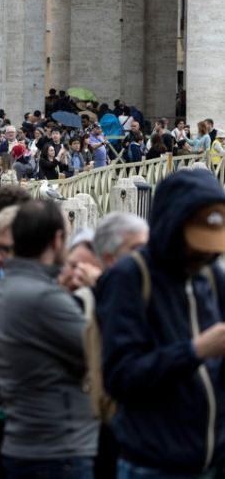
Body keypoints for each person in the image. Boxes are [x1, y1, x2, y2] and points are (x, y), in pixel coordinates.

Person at [97, 169, 225, 478]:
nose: (203, 255)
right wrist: (194, 351)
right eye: (196, 245)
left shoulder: (210, 274)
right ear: (172, 228)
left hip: (213, 463)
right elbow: (120, 377)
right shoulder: (130, 277)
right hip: (154, 465)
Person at [0, 200, 98, 479]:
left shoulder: (2, 289)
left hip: (24, 442)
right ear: (57, 240)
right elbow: (99, 353)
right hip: (58, 450)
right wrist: (103, 287)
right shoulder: (44, 298)